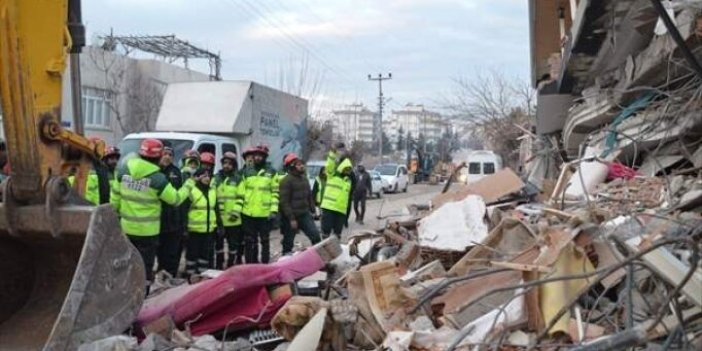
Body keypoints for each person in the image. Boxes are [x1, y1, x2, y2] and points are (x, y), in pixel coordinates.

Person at [111, 138, 193, 293]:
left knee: (127, 265)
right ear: (158, 156)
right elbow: (175, 199)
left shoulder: (123, 172)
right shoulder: (157, 179)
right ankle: (141, 299)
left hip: (126, 229)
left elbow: (115, 200)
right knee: (144, 268)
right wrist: (188, 185)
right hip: (148, 233)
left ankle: (123, 294)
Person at [234, 145, 279, 264]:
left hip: (265, 214)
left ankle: (265, 265)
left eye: (260, 156)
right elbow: (241, 193)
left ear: (264, 157)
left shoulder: (272, 172)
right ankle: (250, 264)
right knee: (249, 241)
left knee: (265, 240)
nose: (258, 158)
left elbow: (275, 192)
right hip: (248, 213)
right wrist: (236, 210)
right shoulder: (246, 172)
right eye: (256, 156)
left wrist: (273, 210)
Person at [279, 153, 321, 255]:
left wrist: (313, 210)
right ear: (292, 166)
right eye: (298, 164)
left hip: (304, 214)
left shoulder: (304, 179)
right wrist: (292, 219)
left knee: (315, 236)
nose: (302, 166)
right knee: (288, 242)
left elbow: (309, 196)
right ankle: (285, 259)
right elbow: (284, 202)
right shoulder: (286, 181)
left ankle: (319, 259)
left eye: (301, 163)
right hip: (291, 217)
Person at [156, 145, 186, 277]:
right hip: (157, 219)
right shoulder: (154, 171)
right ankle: (160, 273)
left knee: (171, 252)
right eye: (165, 154)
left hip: (173, 219)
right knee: (159, 251)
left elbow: (179, 194)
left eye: (170, 155)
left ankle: (170, 275)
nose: (167, 157)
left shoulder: (175, 172)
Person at [184, 167, 218, 278]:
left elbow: (215, 209)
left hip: (208, 230)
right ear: (198, 177)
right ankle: (190, 276)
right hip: (194, 230)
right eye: (204, 176)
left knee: (204, 255)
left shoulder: (212, 191)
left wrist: (219, 226)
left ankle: (202, 275)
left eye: (208, 176)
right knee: (192, 255)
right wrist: (184, 228)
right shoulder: (192, 191)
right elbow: (184, 210)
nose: (207, 178)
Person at [213, 151, 243, 268]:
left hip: (233, 220)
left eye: (230, 163)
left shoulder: (238, 179)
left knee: (233, 245)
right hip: (219, 219)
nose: (227, 166)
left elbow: (241, 197)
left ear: (234, 165)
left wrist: (235, 213)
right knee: (219, 245)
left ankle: (231, 265)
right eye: (225, 163)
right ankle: (219, 266)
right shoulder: (216, 178)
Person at [320, 143, 353, 238]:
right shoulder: (332, 175)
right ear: (341, 168)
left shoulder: (348, 181)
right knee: (326, 233)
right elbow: (330, 164)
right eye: (346, 169)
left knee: (337, 234)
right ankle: (324, 250)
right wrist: (333, 152)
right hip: (329, 208)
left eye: (349, 170)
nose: (348, 171)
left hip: (340, 211)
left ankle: (335, 250)